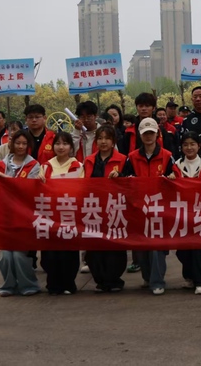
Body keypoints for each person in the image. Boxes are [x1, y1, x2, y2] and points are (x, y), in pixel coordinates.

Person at [0, 129, 41, 296]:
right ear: (12, 144)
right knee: (6, 255)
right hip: (4, 216)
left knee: (19, 254)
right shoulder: (0, 166)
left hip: (24, 216)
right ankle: (9, 285)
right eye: (18, 143)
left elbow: (28, 188)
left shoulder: (34, 165)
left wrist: (8, 180)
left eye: (24, 143)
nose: (21, 146)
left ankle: (29, 285)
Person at [129, 118, 181, 295]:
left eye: (151, 133)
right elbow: (125, 180)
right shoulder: (132, 157)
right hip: (140, 209)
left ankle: (157, 281)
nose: (148, 136)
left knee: (157, 247)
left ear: (157, 134)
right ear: (140, 135)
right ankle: (147, 277)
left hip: (160, 208)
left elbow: (176, 177)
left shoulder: (167, 156)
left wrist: (172, 178)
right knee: (142, 248)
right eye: (145, 133)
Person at [83, 125, 133, 292]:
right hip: (93, 209)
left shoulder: (123, 159)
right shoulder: (88, 160)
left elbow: (130, 182)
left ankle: (113, 280)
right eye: (100, 138)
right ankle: (100, 280)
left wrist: (120, 177)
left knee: (114, 246)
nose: (103, 142)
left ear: (113, 141)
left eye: (107, 138)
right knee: (94, 247)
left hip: (114, 208)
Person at [39, 132, 83, 295]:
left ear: (71, 147)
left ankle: (69, 284)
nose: (61, 147)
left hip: (69, 215)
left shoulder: (78, 165)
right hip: (50, 215)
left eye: (65, 143)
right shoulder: (45, 166)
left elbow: (81, 189)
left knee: (68, 252)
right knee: (50, 253)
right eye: (57, 143)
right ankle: (53, 284)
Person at [174, 131, 201, 294]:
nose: (189, 148)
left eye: (192, 144)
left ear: (199, 146)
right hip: (183, 213)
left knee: (199, 248)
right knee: (183, 250)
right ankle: (189, 277)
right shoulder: (176, 165)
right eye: (185, 145)